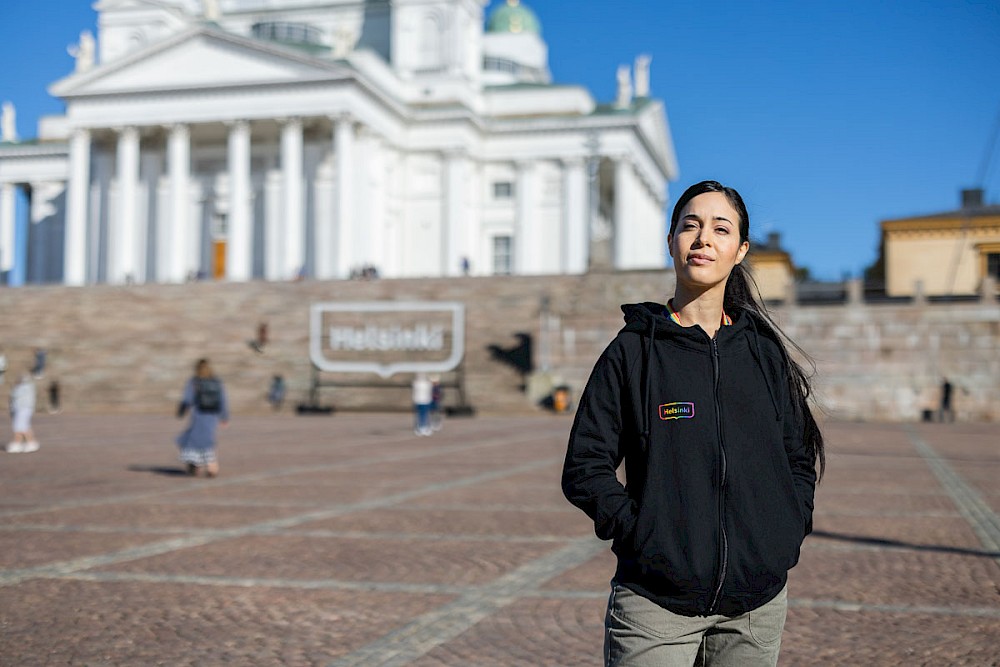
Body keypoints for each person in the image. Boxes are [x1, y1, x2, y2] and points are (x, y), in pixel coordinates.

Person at [562, 180, 825, 667]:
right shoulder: (634, 350)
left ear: (740, 250)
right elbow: (585, 465)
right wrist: (645, 538)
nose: (703, 238)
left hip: (755, 607)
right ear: (671, 242)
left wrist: (785, 530)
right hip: (656, 608)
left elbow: (797, 456)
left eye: (720, 229)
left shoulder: (763, 354)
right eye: (690, 226)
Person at [176, 358, 229, 477]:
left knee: (193, 439)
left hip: (199, 415)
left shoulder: (194, 381)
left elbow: (187, 399)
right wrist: (224, 417)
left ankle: (197, 465)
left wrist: (182, 410)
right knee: (207, 440)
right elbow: (223, 400)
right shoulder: (217, 381)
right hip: (212, 416)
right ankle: (212, 466)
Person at [7, 373, 39, 453]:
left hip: (22, 409)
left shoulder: (23, 388)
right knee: (24, 427)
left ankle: (17, 443)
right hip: (24, 409)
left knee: (18, 427)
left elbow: (14, 397)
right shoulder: (29, 388)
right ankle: (30, 442)